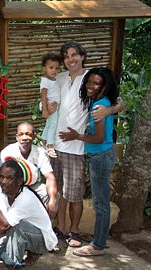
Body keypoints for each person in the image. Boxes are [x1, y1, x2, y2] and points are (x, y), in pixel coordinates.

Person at [50, 41, 124, 247]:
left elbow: (120, 102)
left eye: (74, 54)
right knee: (60, 191)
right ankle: (61, 228)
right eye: (66, 56)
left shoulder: (93, 78)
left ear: (83, 56)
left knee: (74, 193)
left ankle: (74, 231)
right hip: (56, 145)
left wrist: (108, 111)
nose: (70, 59)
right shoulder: (60, 77)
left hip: (76, 147)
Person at [59, 68, 118, 256]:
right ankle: (100, 241)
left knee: (101, 203)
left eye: (96, 83)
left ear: (104, 85)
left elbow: (98, 138)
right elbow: (119, 104)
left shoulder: (99, 107)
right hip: (101, 155)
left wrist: (77, 136)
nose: (91, 86)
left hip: (100, 156)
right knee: (101, 201)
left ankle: (98, 245)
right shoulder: (103, 102)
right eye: (89, 82)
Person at [0, 159, 57, 270]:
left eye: (9, 178)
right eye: (1, 177)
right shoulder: (4, 193)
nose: (4, 182)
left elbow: (4, 226)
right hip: (23, 235)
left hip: (42, 241)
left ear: (19, 181)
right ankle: (21, 257)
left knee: (16, 227)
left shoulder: (25, 198)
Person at [0, 122, 57, 219]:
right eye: (21, 134)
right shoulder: (8, 152)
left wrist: (52, 200)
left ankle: (44, 228)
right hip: (13, 186)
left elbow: (50, 177)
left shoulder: (40, 152)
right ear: (16, 137)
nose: (24, 137)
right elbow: (4, 178)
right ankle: (8, 227)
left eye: (28, 134)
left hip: (33, 186)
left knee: (47, 192)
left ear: (34, 136)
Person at [40, 52, 62, 158]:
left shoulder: (54, 79)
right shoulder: (45, 81)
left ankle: (43, 141)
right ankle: (50, 146)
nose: (54, 70)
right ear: (44, 68)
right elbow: (43, 95)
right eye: (51, 67)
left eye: (57, 68)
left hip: (50, 106)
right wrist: (45, 109)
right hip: (49, 106)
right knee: (53, 125)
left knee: (48, 125)